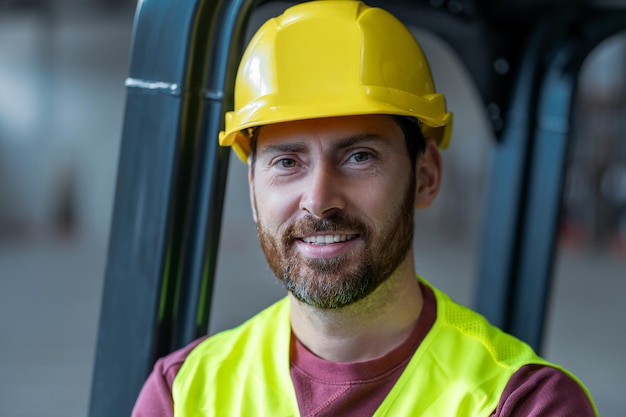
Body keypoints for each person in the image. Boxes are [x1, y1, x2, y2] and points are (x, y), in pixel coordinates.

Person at [132, 1, 598, 415]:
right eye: (287, 162)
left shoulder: (522, 403)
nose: (318, 200)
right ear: (253, 189)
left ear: (426, 176)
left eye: (359, 157)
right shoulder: (183, 394)